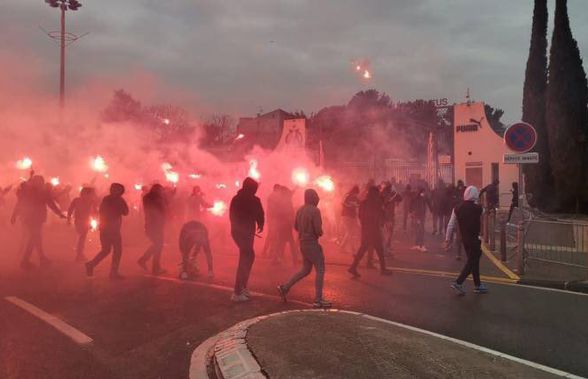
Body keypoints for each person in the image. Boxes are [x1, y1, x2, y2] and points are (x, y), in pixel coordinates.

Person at [278, 189, 331, 308]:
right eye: (316, 196)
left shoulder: (300, 209)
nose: (318, 198)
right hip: (312, 243)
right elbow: (318, 229)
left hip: (302, 243)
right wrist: (319, 232)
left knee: (306, 270)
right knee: (320, 269)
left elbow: (296, 226)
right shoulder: (315, 210)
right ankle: (318, 299)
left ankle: (285, 287)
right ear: (313, 197)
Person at [11, 175, 66, 269]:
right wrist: (14, 214)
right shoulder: (29, 192)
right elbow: (20, 203)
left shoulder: (40, 192)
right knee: (33, 239)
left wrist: (59, 213)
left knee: (37, 239)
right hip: (31, 219)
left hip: (35, 218)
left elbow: (50, 203)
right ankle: (25, 261)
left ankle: (42, 258)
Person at [445, 186, 488, 295]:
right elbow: (485, 211)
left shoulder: (457, 208)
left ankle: (478, 285)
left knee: (473, 260)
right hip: (474, 238)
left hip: (464, 239)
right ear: (475, 195)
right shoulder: (478, 208)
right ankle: (458, 282)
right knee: (473, 260)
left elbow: (450, 225)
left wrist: (447, 239)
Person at [229, 177, 265, 302]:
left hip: (238, 232)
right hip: (245, 232)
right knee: (246, 257)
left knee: (248, 256)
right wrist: (260, 224)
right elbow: (260, 214)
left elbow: (232, 216)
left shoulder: (236, 198)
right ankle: (237, 292)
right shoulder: (254, 200)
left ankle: (242, 287)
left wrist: (237, 227)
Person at [85, 183, 129, 279]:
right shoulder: (118, 200)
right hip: (113, 229)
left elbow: (101, 211)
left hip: (105, 228)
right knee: (117, 251)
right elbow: (126, 212)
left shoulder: (106, 199)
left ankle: (91, 265)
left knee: (106, 250)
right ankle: (113, 273)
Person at [348, 186, 393, 278]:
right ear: (375, 193)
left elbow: (360, 216)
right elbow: (381, 214)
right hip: (374, 229)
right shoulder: (376, 203)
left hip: (365, 229)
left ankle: (353, 267)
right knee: (379, 249)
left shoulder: (364, 203)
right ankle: (383, 269)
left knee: (363, 249)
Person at [138, 184, 168, 275]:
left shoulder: (148, 198)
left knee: (157, 244)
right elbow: (161, 209)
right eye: (160, 190)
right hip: (154, 224)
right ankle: (153, 267)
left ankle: (146, 261)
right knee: (158, 245)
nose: (162, 192)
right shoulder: (155, 199)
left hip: (153, 224)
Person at [67, 187, 98, 262]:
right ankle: (79, 255)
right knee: (82, 238)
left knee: (82, 238)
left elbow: (94, 212)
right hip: (81, 221)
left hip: (83, 221)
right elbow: (70, 209)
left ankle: (79, 254)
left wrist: (94, 220)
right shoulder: (85, 200)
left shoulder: (82, 200)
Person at [381, 182, 402, 254]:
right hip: (387, 217)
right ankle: (385, 248)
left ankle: (387, 247)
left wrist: (395, 192)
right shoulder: (387, 194)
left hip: (388, 216)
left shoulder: (388, 193)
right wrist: (395, 192)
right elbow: (399, 198)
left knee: (388, 233)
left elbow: (400, 198)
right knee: (388, 233)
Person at [339, 185, 360, 254]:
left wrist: (356, 205)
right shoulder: (347, 195)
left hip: (352, 216)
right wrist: (349, 206)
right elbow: (342, 202)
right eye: (356, 193)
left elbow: (360, 204)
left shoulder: (356, 197)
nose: (356, 195)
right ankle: (353, 249)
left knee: (349, 232)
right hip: (346, 216)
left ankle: (342, 247)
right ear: (353, 191)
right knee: (350, 232)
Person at [410, 187, 432, 252]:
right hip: (418, 215)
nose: (424, 193)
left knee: (419, 229)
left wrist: (411, 211)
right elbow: (411, 203)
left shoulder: (421, 197)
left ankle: (418, 244)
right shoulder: (418, 197)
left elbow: (428, 203)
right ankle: (420, 245)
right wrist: (411, 211)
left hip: (419, 215)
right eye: (423, 192)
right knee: (420, 230)